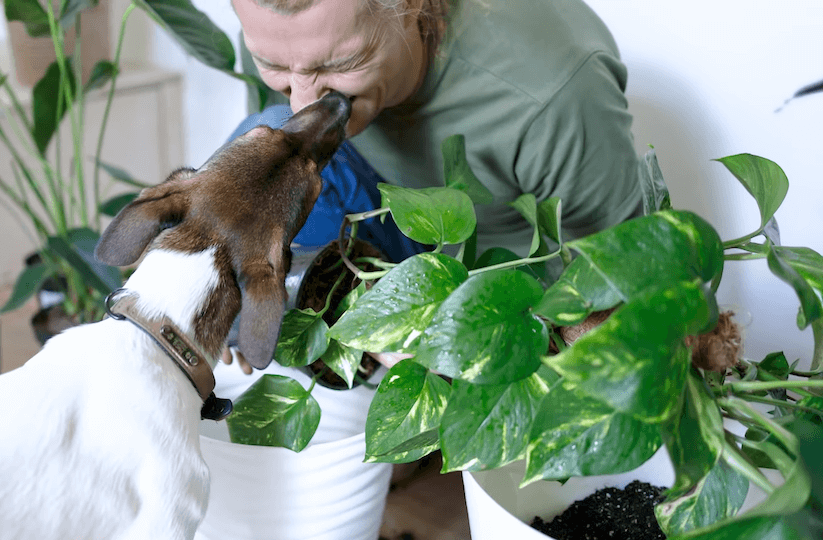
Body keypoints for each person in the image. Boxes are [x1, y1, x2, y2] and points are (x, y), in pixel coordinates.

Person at [221, 0, 644, 372]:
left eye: (339, 64)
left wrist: (444, 338)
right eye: (275, 66)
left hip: (505, 289)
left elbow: (618, 283)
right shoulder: (283, 34)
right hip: (381, 224)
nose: (304, 103)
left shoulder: (556, 93)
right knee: (267, 134)